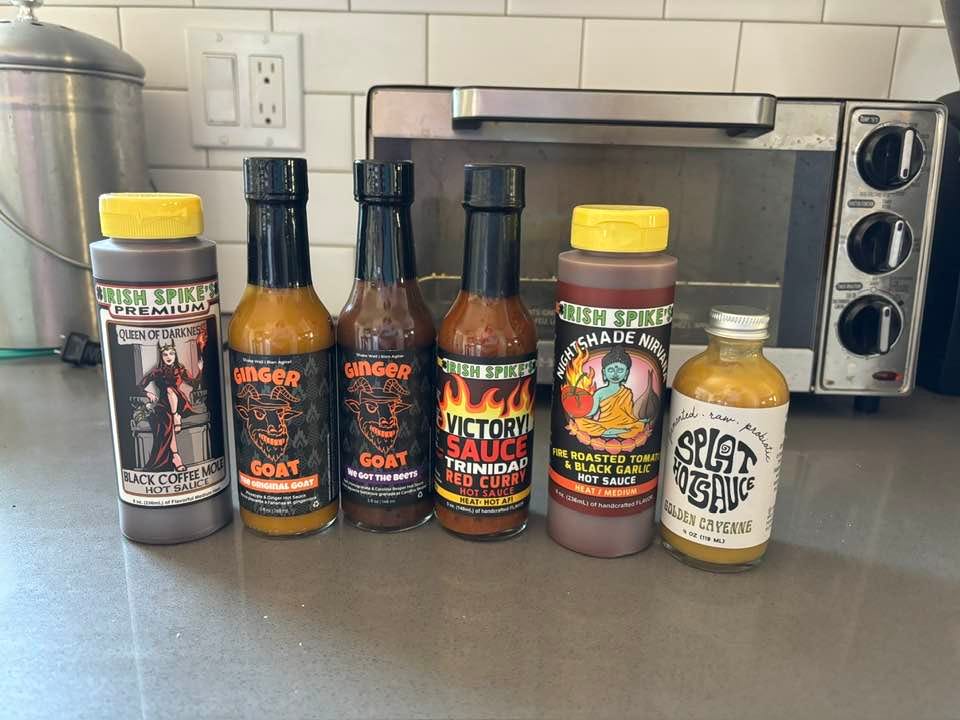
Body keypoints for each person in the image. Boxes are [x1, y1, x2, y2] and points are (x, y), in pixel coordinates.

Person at [138, 342, 203, 471]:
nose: (169, 356)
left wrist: (200, 370)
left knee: (170, 390)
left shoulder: (180, 370)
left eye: (171, 353)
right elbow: (140, 386)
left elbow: (195, 384)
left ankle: (175, 454)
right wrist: (148, 393)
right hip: (163, 405)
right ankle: (175, 456)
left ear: (175, 355)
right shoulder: (157, 372)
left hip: (180, 403)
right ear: (161, 356)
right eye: (165, 354)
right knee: (168, 422)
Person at [573, 345, 646, 439]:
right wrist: (578, 413)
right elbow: (593, 411)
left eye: (620, 370)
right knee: (580, 421)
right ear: (604, 373)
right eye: (610, 370)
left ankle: (612, 432)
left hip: (624, 425)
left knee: (639, 425)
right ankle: (610, 432)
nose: (615, 374)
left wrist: (640, 419)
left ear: (626, 374)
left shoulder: (627, 392)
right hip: (604, 425)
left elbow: (630, 414)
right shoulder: (600, 393)